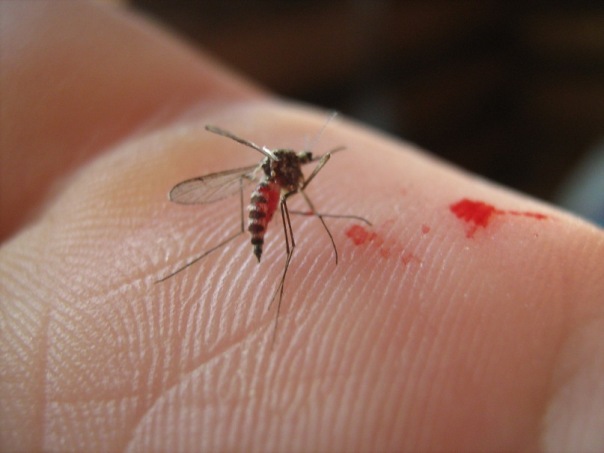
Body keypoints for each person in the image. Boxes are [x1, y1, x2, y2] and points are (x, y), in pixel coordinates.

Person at [1, 2, 603, 452]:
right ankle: (236, 269)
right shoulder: (278, 179)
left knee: (288, 212)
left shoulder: (293, 167)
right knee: (283, 237)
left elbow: (301, 176)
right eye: (302, 164)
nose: (304, 170)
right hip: (260, 196)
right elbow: (279, 185)